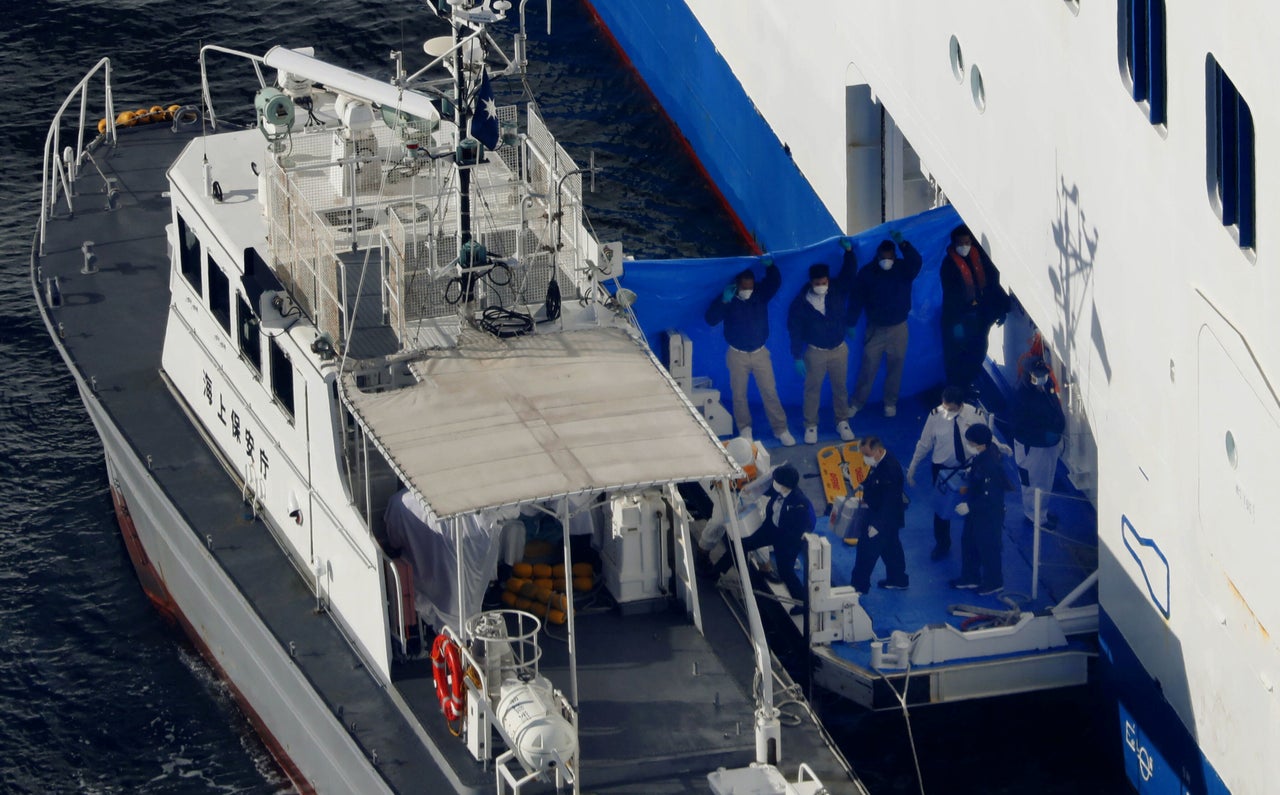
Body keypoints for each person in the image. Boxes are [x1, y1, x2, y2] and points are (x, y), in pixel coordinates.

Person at [905, 385, 1006, 560]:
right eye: (945, 408)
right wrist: (913, 466)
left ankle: (973, 542)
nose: (947, 412)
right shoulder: (935, 416)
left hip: (969, 466)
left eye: (951, 409)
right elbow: (924, 443)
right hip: (942, 468)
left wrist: (998, 446)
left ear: (960, 405)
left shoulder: (975, 414)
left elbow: (986, 436)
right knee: (941, 509)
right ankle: (942, 544)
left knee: (971, 504)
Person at [704, 258, 796, 445]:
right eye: (744, 287)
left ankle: (781, 429)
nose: (748, 290)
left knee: (770, 391)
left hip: (760, 353)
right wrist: (723, 301)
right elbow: (711, 319)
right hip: (737, 354)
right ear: (737, 286)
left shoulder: (759, 294)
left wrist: (771, 266)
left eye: (750, 286)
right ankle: (745, 429)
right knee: (739, 394)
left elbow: (775, 282)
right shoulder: (728, 298)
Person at [707, 464, 814, 613]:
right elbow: (763, 489)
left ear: (785, 485)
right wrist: (749, 488)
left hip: (786, 541)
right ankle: (715, 572)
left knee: (786, 572)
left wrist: (786, 540)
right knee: (742, 545)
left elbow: (802, 527)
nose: (773, 483)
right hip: (771, 529)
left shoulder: (799, 503)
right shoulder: (780, 491)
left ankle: (801, 603)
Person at [788, 242, 860, 444]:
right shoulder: (800, 304)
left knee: (840, 388)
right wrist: (797, 356)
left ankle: (842, 422)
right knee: (812, 389)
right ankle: (810, 425)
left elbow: (849, 273)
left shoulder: (836, 290)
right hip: (815, 352)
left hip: (839, 349)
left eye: (825, 282)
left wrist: (849, 252)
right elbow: (795, 331)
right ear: (812, 283)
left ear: (828, 280)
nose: (822, 286)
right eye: (818, 283)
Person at [848, 232, 922, 419]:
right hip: (876, 328)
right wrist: (851, 322)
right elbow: (856, 299)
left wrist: (904, 244)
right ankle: (857, 402)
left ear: (895, 256)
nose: (886, 260)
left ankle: (890, 403)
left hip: (899, 327)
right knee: (868, 367)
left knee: (896, 367)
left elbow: (917, 262)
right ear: (877, 255)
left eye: (890, 256)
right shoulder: (867, 273)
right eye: (883, 257)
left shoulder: (904, 269)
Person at [939, 225, 1010, 392]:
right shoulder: (948, 266)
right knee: (957, 352)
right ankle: (955, 390)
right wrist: (962, 317)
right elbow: (951, 296)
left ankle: (966, 384)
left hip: (979, 318)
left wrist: (1002, 306)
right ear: (954, 244)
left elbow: (992, 283)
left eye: (967, 242)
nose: (964, 246)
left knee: (978, 352)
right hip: (958, 320)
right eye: (960, 243)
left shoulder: (980, 259)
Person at [952, 424, 1009, 596]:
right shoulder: (983, 457)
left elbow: (990, 497)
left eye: (970, 442)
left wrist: (969, 506)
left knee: (988, 547)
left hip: (988, 514)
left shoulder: (990, 465)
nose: (968, 445)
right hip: (976, 512)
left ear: (980, 444)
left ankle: (994, 582)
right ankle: (970, 577)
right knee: (969, 542)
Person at [849, 437, 908, 593]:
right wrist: (864, 484)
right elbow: (874, 479)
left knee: (866, 551)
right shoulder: (880, 461)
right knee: (891, 548)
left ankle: (858, 587)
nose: (864, 458)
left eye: (866, 454)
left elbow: (890, 501)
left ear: (878, 450)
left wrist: (877, 526)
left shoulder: (890, 470)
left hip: (881, 518)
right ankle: (898, 579)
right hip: (888, 518)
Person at [1012, 358, 1065, 528]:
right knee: (1033, 484)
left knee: (1046, 480)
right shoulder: (1021, 396)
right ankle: (1034, 516)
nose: (1042, 379)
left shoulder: (1045, 386)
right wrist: (1043, 435)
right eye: (1037, 377)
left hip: (1048, 445)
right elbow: (1019, 426)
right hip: (1032, 449)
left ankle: (1042, 512)